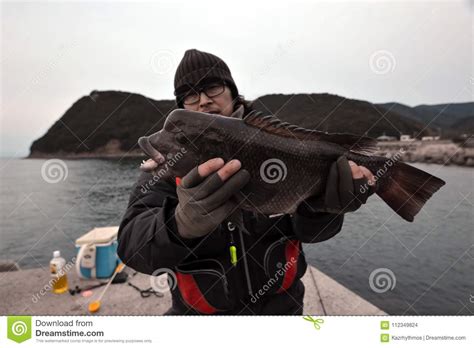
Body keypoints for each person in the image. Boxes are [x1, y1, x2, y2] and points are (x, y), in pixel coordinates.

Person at [117, 49, 376, 315]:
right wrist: (179, 225)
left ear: (232, 91)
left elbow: (311, 233)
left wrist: (324, 209)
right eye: (190, 94)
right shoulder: (168, 166)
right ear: (182, 107)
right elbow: (131, 247)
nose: (203, 100)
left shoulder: (280, 146)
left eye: (212, 87)